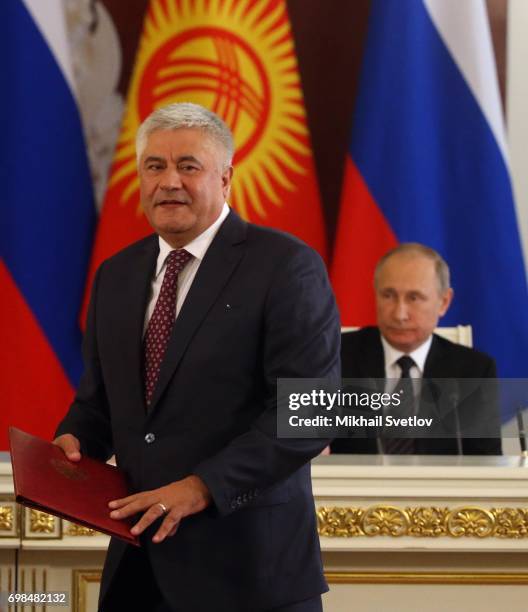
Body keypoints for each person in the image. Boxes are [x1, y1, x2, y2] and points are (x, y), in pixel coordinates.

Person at [53, 102, 340, 612]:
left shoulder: (286, 266)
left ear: (225, 178)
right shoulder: (116, 275)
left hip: (250, 573)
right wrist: (75, 439)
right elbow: (99, 402)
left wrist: (200, 487)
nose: (169, 182)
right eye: (154, 166)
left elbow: (307, 414)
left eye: (188, 166)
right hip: (138, 570)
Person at [331, 243, 502, 455]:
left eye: (414, 298)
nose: (399, 314)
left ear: (444, 302)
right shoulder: (335, 357)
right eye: (388, 295)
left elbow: (486, 463)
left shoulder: (474, 371)